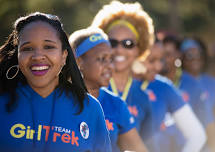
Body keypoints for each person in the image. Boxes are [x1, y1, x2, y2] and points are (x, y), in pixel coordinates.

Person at [0, 12, 111, 152]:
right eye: (27, 48)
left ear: (64, 56)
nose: (38, 56)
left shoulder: (89, 107)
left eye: (48, 47)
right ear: (17, 56)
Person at [69, 27, 148, 152]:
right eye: (102, 59)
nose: (110, 66)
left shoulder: (116, 104)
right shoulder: (58, 99)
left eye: (111, 59)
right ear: (79, 62)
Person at [91, 0, 154, 135]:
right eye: (112, 42)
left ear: (139, 48)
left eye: (128, 43)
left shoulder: (143, 97)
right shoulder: (91, 88)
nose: (119, 50)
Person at [132, 42, 206, 152]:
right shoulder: (109, 84)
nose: (158, 67)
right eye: (151, 60)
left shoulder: (163, 87)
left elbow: (198, 135)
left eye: (161, 60)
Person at [181, 38, 215, 152]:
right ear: (181, 58)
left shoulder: (213, 83)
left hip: (211, 138)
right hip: (184, 140)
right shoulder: (177, 83)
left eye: (199, 54)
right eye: (189, 55)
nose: (195, 58)